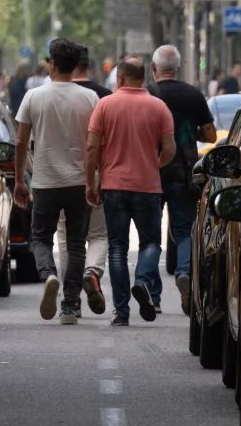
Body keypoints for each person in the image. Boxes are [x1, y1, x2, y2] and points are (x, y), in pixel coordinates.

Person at [14, 39, 99, 323]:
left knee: (40, 237)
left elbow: (21, 142)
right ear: (75, 66)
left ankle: (49, 275)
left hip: (45, 181)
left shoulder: (33, 97)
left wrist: (19, 181)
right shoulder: (90, 98)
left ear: (51, 63)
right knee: (76, 244)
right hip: (78, 182)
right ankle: (69, 306)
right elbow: (95, 144)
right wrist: (93, 181)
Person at [86, 56, 174, 326]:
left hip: (113, 186)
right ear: (144, 77)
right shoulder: (159, 107)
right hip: (148, 187)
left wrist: (92, 181)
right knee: (150, 244)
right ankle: (144, 281)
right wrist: (154, 164)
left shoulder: (105, 105)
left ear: (120, 78)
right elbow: (170, 149)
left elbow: (91, 148)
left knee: (117, 248)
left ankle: (121, 312)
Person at [148, 44, 215, 316]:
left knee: (150, 235)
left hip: (150, 172)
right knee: (185, 229)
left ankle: (153, 296)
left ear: (154, 69)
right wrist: (189, 134)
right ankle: (184, 273)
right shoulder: (193, 95)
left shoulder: (149, 95)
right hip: (184, 172)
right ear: (178, 67)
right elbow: (210, 136)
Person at [56, 46, 111, 314]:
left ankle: (71, 300)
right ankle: (92, 272)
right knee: (99, 234)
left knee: (67, 240)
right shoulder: (104, 97)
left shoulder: (48, 95)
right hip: (99, 172)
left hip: (61, 176)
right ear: (90, 65)